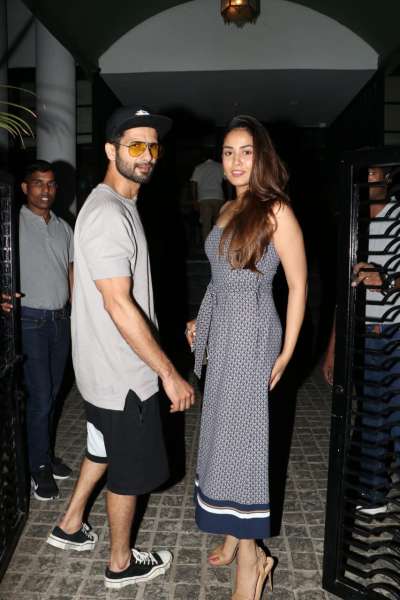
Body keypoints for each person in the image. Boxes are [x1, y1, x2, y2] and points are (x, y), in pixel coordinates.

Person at [46, 106, 195, 590]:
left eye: (152, 145)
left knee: (102, 447)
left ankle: (70, 526)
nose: (147, 155)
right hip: (123, 377)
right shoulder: (110, 212)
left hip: (100, 372)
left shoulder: (113, 205)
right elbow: (118, 303)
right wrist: (169, 374)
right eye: (135, 145)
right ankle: (120, 563)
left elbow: (86, 283)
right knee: (129, 473)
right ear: (112, 150)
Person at [186, 115, 307, 599]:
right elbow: (219, 283)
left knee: (245, 444)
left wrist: (288, 350)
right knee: (222, 434)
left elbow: (298, 285)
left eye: (246, 152)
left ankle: (252, 562)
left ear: (262, 158)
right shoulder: (227, 210)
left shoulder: (275, 210)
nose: (236, 161)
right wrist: (202, 321)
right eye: (229, 152)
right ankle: (236, 533)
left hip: (254, 338)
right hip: (224, 336)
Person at [322, 165, 400, 515]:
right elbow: (345, 294)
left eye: (373, 174)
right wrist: (333, 349)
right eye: (362, 175)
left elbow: (378, 279)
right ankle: (373, 494)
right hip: (364, 334)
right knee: (370, 415)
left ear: (388, 178)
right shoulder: (355, 224)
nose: (368, 182)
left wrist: (383, 280)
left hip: (395, 330)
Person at [0, 161, 74, 501]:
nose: (46, 190)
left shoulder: (63, 227)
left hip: (61, 320)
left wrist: (78, 313)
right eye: (38, 183)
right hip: (29, 320)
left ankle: (41, 453)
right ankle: (38, 467)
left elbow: (71, 273)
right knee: (41, 397)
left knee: (53, 394)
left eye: (51, 184)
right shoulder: (11, 223)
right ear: (25, 188)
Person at [190, 151, 225, 242]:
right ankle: (218, 246)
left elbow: (193, 183)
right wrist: (228, 196)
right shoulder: (220, 166)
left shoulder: (199, 167)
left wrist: (194, 200)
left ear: (203, 158)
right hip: (218, 197)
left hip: (204, 198)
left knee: (206, 225)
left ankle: (208, 248)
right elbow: (228, 181)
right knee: (219, 224)